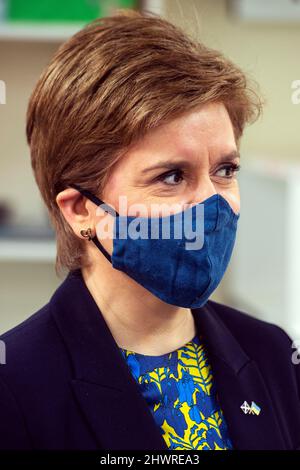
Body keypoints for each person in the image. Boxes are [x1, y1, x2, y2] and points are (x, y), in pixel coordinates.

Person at [0, 9, 299, 451]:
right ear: (81, 208)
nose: (210, 204)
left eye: (225, 169)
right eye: (172, 176)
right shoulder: (14, 385)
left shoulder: (275, 354)